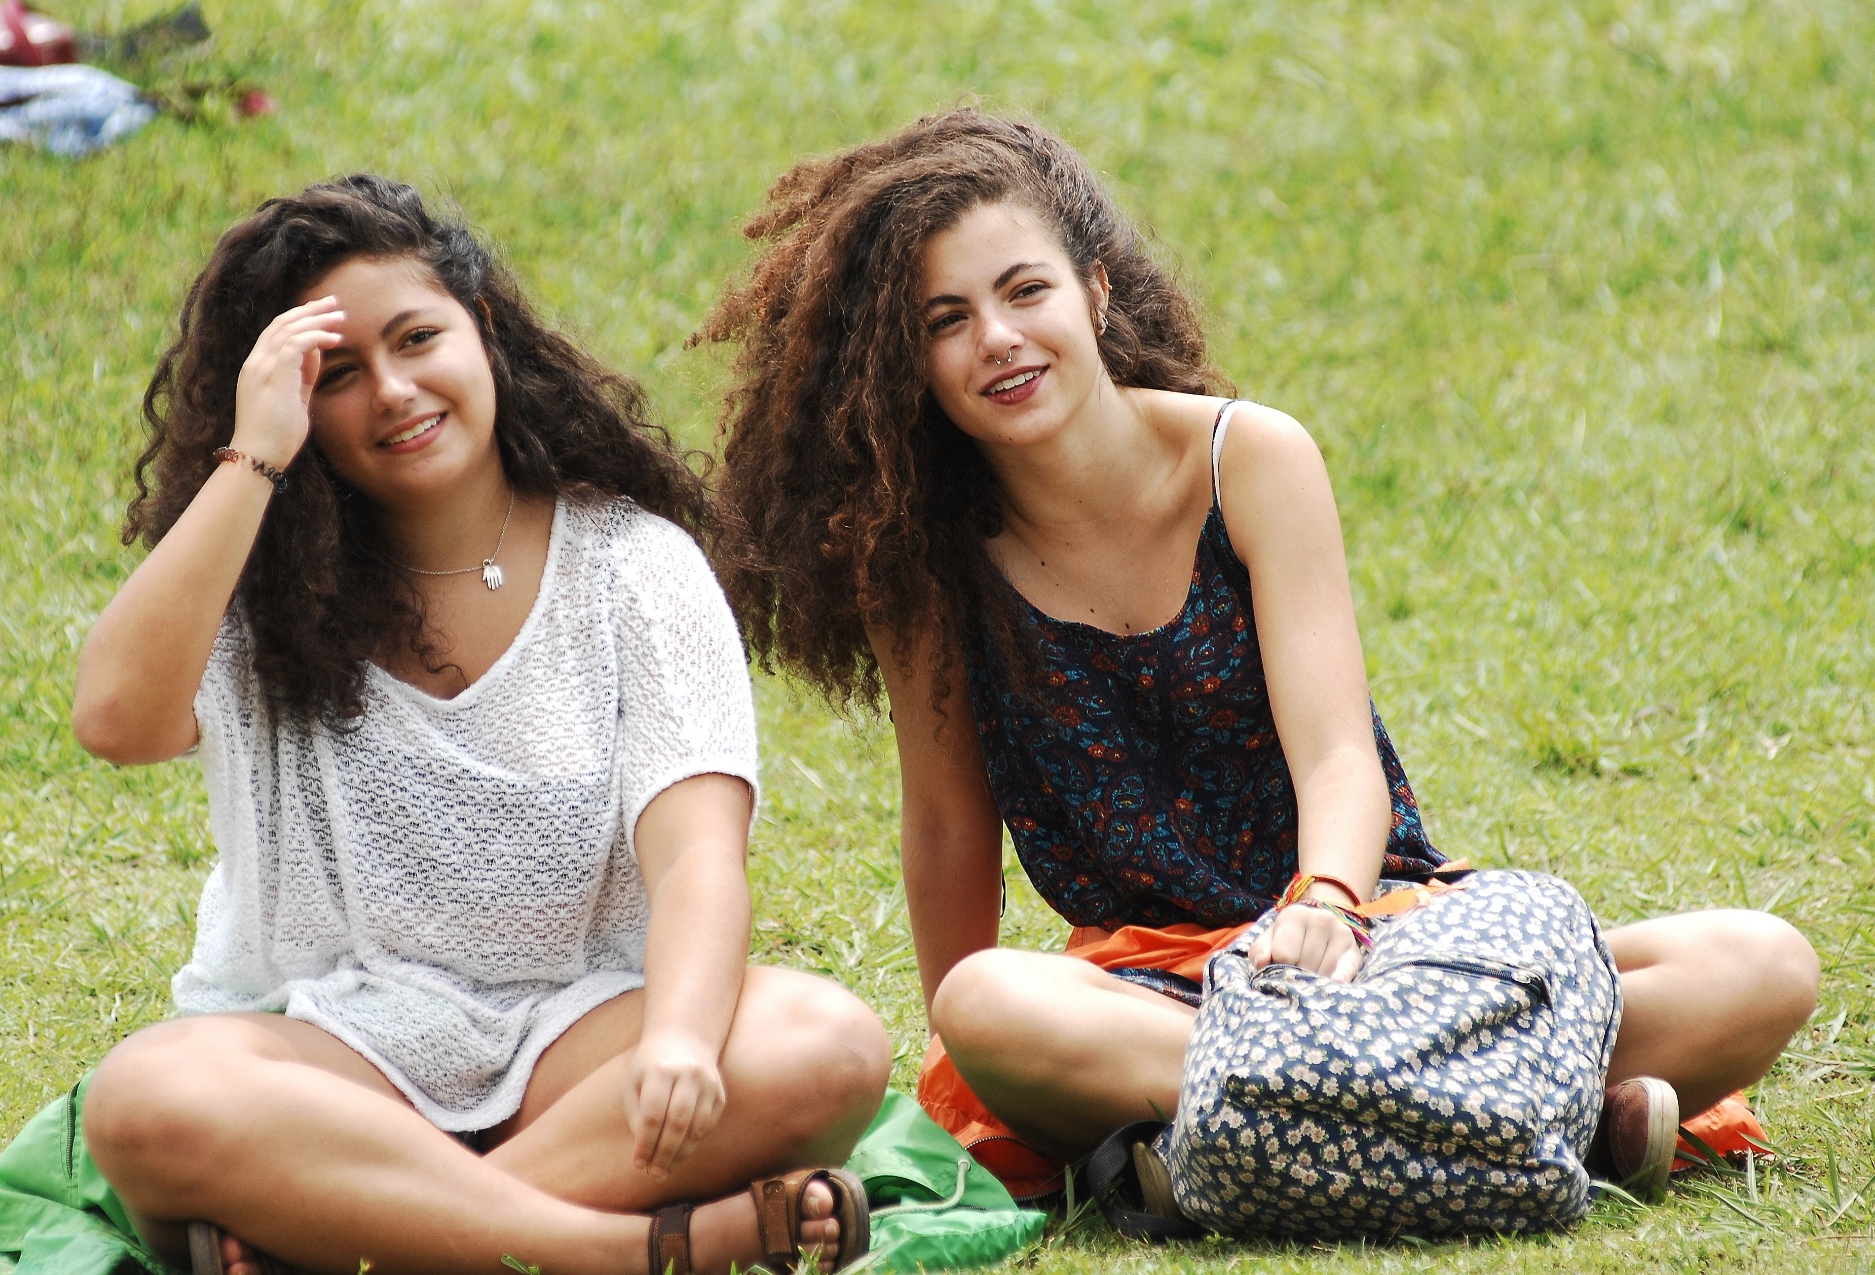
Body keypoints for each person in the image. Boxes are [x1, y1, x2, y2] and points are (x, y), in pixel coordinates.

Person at [699, 109, 1819, 1207]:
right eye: (947, 320)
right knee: (992, 1005)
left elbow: (1337, 754)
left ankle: (1243, 1147)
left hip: (1376, 939)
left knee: (1759, 964)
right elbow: (949, 826)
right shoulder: (923, 563)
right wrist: (965, 1062)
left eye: (1025, 290)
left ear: (1094, 292)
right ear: (909, 364)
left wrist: (1326, 904)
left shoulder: (1250, 459)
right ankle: (1534, 1118)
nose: (996, 337)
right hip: (1152, 990)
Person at [70, 175, 887, 1275]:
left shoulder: (633, 566)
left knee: (824, 1043)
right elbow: (115, 719)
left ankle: (375, 1231)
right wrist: (252, 457)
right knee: (144, 1101)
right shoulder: (259, 575)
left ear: (484, 327)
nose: (394, 391)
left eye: (418, 338)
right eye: (337, 374)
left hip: (578, 1037)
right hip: (333, 1048)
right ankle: (631, 1251)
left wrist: (684, 1039)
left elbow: (697, 854)